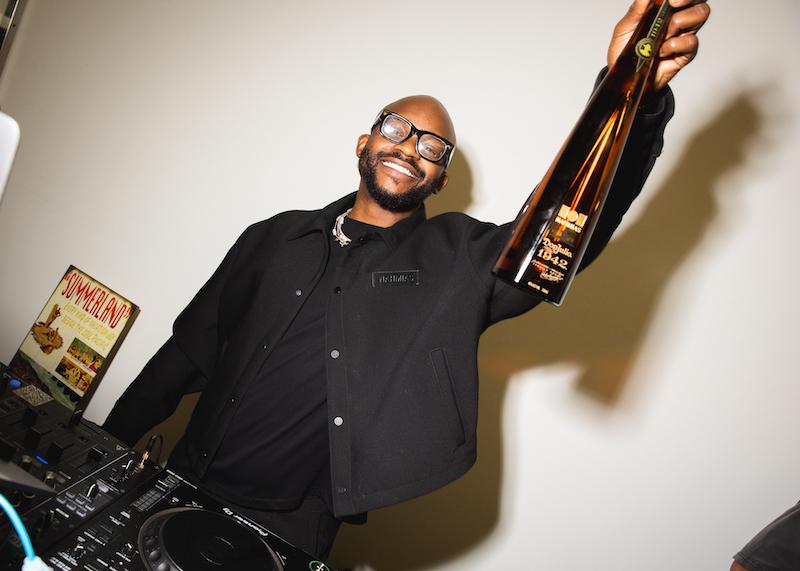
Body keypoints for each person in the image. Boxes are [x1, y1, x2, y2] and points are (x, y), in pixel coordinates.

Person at [103, 0, 710, 559]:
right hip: (179, 482)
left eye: (434, 147)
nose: (412, 148)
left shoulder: (459, 262)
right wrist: (101, 450)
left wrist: (631, 94)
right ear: (364, 143)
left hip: (288, 530)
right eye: (396, 130)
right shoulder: (273, 235)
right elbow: (187, 352)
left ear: (441, 179)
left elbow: (563, 227)